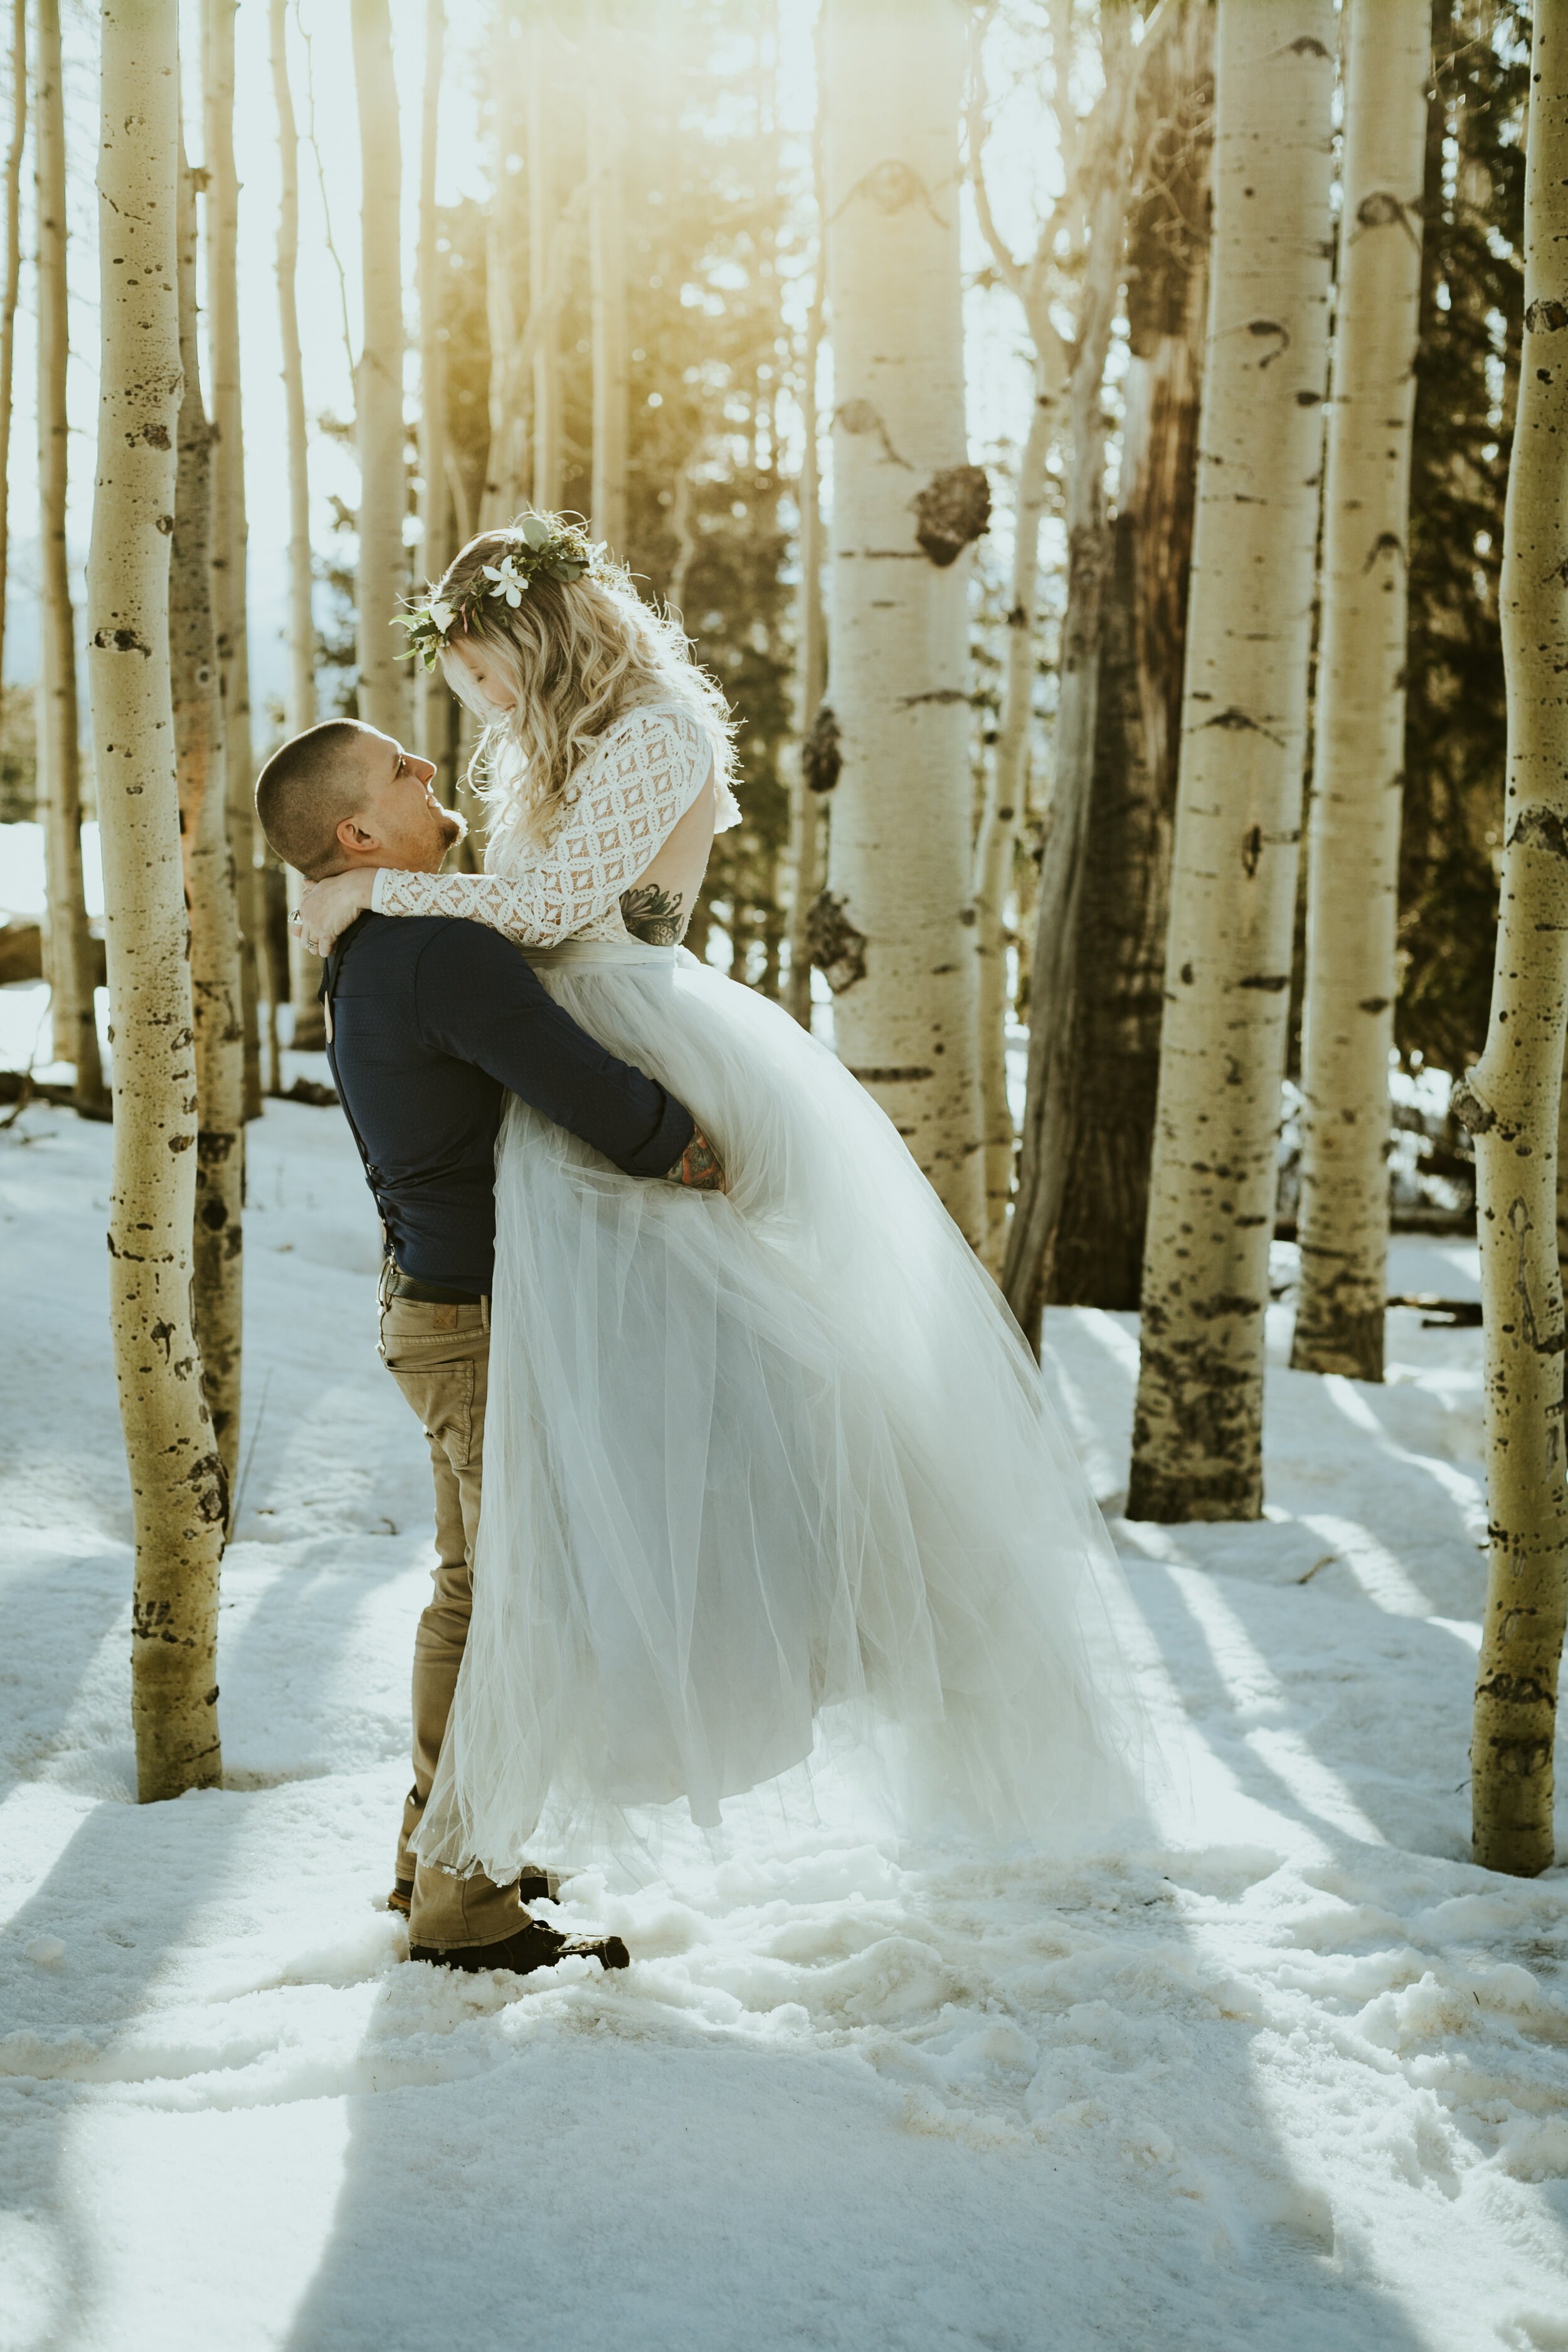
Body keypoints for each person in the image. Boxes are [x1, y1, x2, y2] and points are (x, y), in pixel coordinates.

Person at [294, 512, 1154, 1895]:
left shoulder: (655, 733)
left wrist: (371, 888)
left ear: (535, 636)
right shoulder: (544, 745)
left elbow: (561, 897)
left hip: (630, 1046)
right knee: (562, 1483)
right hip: (554, 1083)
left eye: (482, 672)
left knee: (746, 1405)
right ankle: (479, 1831)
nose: (479, 706)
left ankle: (774, 1667)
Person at [255, 721, 724, 1975]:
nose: (429, 769)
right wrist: (697, 1145)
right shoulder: (436, 951)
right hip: (471, 1322)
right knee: (509, 1600)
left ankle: (437, 1861)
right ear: (357, 836)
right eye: (400, 771)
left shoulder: (377, 942)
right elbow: (579, 1084)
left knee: (476, 1594)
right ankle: (460, 1901)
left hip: (437, 1308)